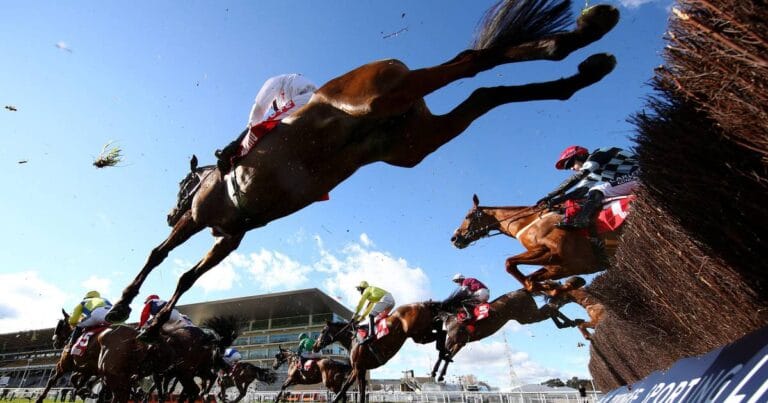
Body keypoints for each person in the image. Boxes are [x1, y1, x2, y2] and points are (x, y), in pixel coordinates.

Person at [215, 73, 318, 173]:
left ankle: (229, 154)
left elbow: (257, 113)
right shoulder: (292, 85)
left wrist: (238, 142)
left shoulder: (274, 82)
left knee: (263, 126)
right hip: (313, 102)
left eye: (274, 107)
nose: (276, 109)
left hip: (306, 99)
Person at [537, 145, 640, 230]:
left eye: (570, 164)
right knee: (593, 194)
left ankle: (581, 221)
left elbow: (577, 177)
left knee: (598, 189)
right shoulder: (593, 172)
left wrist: (550, 195)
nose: (571, 168)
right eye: (568, 168)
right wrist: (555, 201)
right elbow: (580, 192)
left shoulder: (599, 154)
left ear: (580, 156)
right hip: (630, 180)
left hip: (641, 174)